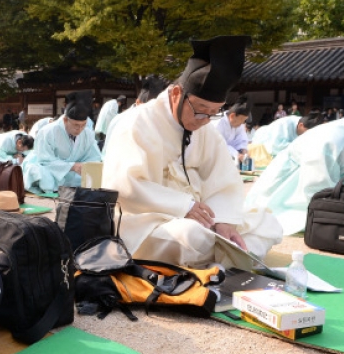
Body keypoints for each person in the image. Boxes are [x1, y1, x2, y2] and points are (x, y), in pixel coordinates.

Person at [101, 36, 282, 268]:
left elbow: (223, 181)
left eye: (214, 113)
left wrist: (225, 221)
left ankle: (221, 258)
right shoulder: (136, 123)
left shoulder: (205, 130)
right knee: (190, 236)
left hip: (202, 219)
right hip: (147, 221)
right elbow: (125, 185)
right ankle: (227, 260)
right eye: (200, 111)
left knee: (267, 223)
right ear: (177, 94)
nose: (204, 121)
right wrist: (183, 207)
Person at [244, 112, 344, 236]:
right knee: (276, 222)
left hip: (320, 187)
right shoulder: (334, 140)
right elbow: (317, 190)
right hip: (290, 186)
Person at [21, 90, 102, 194]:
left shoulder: (87, 133)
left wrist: (86, 167)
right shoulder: (47, 131)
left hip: (73, 172)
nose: (80, 129)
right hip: (50, 169)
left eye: (83, 125)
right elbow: (45, 160)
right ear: (65, 120)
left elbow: (94, 157)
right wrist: (72, 166)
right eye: (76, 125)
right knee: (39, 173)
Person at [102, 75, 168, 159]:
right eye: (149, 108)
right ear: (138, 102)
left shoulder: (157, 122)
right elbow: (109, 155)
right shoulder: (121, 121)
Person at [249, 112, 323, 157]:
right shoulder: (284, 124)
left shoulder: (307, 125)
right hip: (261, 142)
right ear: (301, 126)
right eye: (307, 133)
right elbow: (275, 147)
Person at [214, 95, 251, 164]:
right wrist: (236, 154)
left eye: (244, 121)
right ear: (232, 116)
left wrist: (243, 151)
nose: (242, 123)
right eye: (241, 120)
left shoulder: (239, 124)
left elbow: (241, 140)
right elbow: (219, 144)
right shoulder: (218, 122)